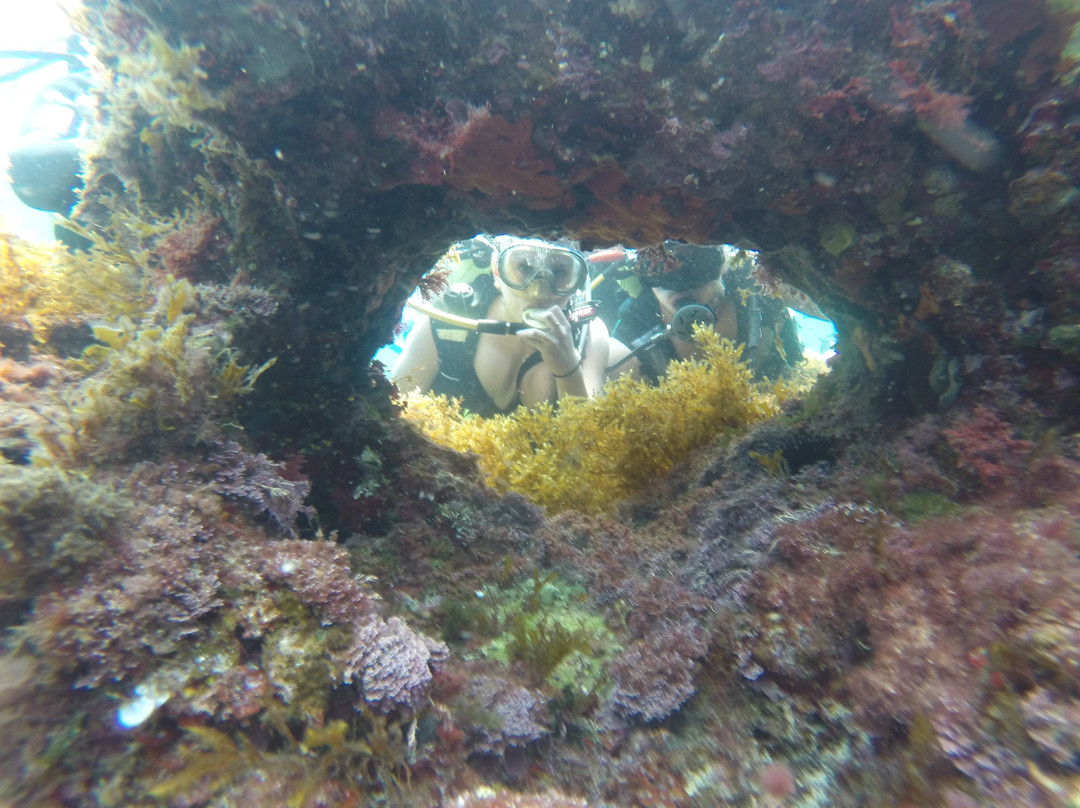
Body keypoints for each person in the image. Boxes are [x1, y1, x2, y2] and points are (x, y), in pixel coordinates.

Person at [392, 236, 610, 417]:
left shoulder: (590, 336)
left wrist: (568, 368)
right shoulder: (446, 319)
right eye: (525, 267)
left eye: (560, 272)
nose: (539, 291)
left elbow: (587, 448)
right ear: (497, 271)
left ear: (577, 280)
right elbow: (389, 411)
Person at [608, 241, 803, 383]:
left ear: (724, 262)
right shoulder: (635, 328)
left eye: (696, 260)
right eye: (656, 267)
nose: (677, 281)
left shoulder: (761, 291)